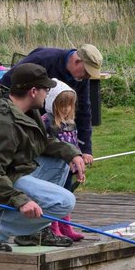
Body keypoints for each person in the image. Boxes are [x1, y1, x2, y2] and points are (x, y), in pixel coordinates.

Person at [0, 63, 88, 252]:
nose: (47, 93)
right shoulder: (3, 124)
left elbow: (42, 142)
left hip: (11, 174)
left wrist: (71, 153)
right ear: (33, 91)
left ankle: (33, 232)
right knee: (64, 202)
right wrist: (21, 200)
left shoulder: (27, 110)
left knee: (60, 160)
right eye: (46, 89)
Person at [0, 45, 103, 164]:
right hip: (25, 121)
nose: (87, 77)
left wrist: (86, 149)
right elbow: (4, 86)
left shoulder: (81, 78)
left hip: (55, 131)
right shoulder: (43, 59)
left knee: (65, 158)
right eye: (87, 72)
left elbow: (84, 109)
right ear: (77, 61)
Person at [42, 82, 85, 241]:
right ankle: (53, 228)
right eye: (62, 105)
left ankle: (66, 228)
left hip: (68, 168)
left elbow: (74, 144)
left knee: (67, 195)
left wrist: (78, 163)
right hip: (53, 169)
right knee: (54, 197)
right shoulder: (47, 121)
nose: (66, 109)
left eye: (69, 105)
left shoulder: (71, 123)